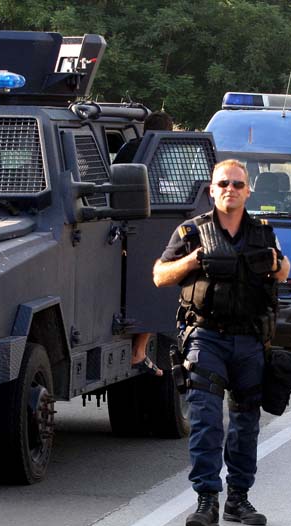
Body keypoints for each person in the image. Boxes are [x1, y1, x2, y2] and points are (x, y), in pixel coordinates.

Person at [153, 159, 291, 526]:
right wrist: (194, 259)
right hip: (206, 336)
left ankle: (238, 499)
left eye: (238, 184)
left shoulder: (263, 232)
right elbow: (159, 275)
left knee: (246, 423)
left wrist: (275, 263)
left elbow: (284, 271)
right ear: (211, 190)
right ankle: (206, 499)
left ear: (248, 191)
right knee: (206, 420)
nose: (230, 189)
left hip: (249, 339)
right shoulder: (191, 231)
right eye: (223, 183)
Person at [116, 110, 175, 376]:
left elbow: (112, 176)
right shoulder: (164, 150)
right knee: (156, 284)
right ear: (167, 131)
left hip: (120, 222)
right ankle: (140, 349)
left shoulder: (129, 148)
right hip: (149, 226)